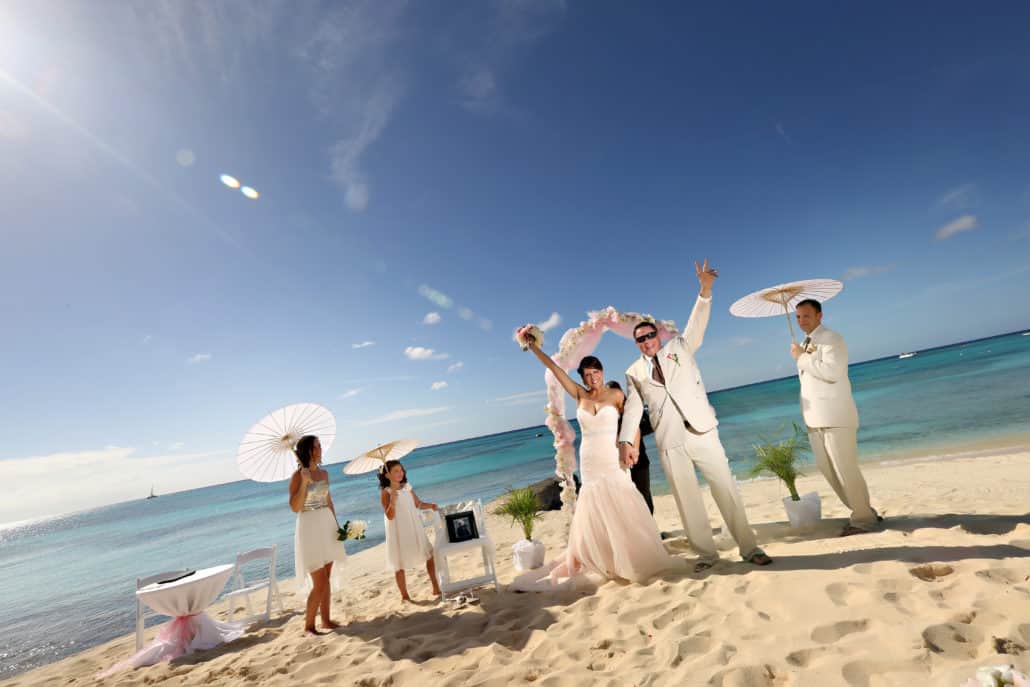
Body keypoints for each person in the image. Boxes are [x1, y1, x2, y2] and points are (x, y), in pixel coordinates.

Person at [619, 259, 772, 572]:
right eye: (641, 339)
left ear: (658, 336)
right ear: (636, 344)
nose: (647, 341)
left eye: (650, 335)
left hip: (702, 431)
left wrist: (705, 290)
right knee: (687, 500)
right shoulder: (633, 372)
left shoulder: (680, 346)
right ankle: (706, 555)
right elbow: (634, 408)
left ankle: (749, 547)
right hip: (669, 441)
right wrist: (625, 441)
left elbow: (696, 324)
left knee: (726, 488)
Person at [518, 345, 677, 584]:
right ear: (582, 378)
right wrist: (533, 348)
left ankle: (630, 555)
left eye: (596, 373)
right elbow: (554, 368)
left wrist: (632, 447)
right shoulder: (580, 395)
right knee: (594, 507)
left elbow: (631, 422)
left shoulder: (615, 395)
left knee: (622, 501)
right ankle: (604, 557)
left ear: (602, 372)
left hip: (612, 456)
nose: (592, 379)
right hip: (590, 458)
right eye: (587, 375)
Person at [792, 298, 880, 536]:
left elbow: (832, 372)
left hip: (835, 416)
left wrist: (801, 358)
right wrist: (802, 354)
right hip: (815, 418)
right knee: (828, 470)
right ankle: (863, 511)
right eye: (798, 317)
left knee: (845, 469)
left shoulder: (832, 339)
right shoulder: (805, 341)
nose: (801, 321)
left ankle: (863, 521)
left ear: (819, 315)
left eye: (806, 316)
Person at [288, 435, 346, 635]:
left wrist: (338, 527)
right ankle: (309, 625)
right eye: (317, 446)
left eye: (320, 445)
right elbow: (295, 508)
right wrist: (304, 483)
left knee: (327, 577)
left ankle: (327, 621)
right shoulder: (297, 476)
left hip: (326, 524)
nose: (320, 449)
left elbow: (329, 501)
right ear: (309, 451)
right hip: (309, 527)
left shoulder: (324, 474)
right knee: (319, 581)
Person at [379, 459, 442, 602]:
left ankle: (435, 587)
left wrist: (430, 505)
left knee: (429, 554)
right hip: (399, 530)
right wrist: (393, 502)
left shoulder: (407, 486)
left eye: (401, 470)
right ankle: (405, 596)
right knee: (399, 563)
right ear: (387, 475)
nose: (400, 473)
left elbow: (417, 503)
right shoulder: (386, 492)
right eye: (396, 471)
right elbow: (389, 516)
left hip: (414, 526)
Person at [606, 381, 656, 516]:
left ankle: (651, 531)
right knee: (628, 499)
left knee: (644, 495)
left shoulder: (633, 409)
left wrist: (632, 433)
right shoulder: (609, 414)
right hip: (619, 464)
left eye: (613, 393)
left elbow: (649, 427)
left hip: (639, 461)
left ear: (620, 392)